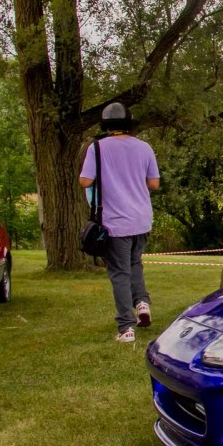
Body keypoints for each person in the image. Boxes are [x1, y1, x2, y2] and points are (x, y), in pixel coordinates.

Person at [79, 103, 160, 343]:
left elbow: (85, 181)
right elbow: (154, 183)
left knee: (119, 273)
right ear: (129, 123)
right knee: (135, 264)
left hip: (115, 221)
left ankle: (126, 327)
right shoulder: (145, 147)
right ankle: (142, 303)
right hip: (142, 218)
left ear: (105, 125)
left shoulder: (97, 148)